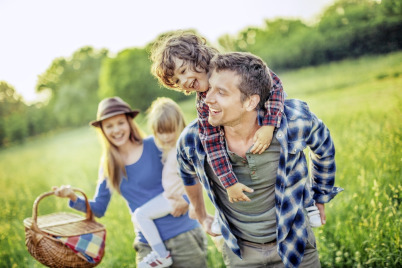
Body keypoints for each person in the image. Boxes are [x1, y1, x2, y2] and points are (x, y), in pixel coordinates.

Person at [176, 52, 343, 268]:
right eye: (210, 89)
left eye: (221, 92)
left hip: (296, 244)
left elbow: (324, 148)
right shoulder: (193, 139)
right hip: (240, 254)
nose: (207, 98)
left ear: (251, 101)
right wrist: (200, 215)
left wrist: (320, 194)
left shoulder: (293, 122)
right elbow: (186, 173)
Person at [150, 31, 322, 228]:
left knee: (289, 154)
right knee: (245, 170)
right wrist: (229, 183)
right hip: (242, 141)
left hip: (268, 120)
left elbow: (275, 85)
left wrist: (269, 126)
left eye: (182, 72)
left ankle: (306, 201)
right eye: (178, 83)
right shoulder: (204, 104)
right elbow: (212, 144)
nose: (184, 84)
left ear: (197, 56)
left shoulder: (236, 67)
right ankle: (226, 218)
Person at [52, 96, 208, 268]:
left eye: (120, 122)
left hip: (183, 236)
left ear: (129, 123)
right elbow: (98, 208)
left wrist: (187, 200)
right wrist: (73, 197)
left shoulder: (155, 144)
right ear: (102, 130)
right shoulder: (109, 165)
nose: (116, 130)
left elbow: (187, 172)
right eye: (109, 126)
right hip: (148, 245)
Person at [131, 97, 188, 267]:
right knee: (139, 216)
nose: (165, 136)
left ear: (179, 125)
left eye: (170, 130)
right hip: (169, 195)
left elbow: (196, 176)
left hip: (176, 198)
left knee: (141, 215)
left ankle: (161, 255)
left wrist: (187, 199)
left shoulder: (182, 148)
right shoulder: (169, 147)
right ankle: (160, 253)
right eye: (160, 132)